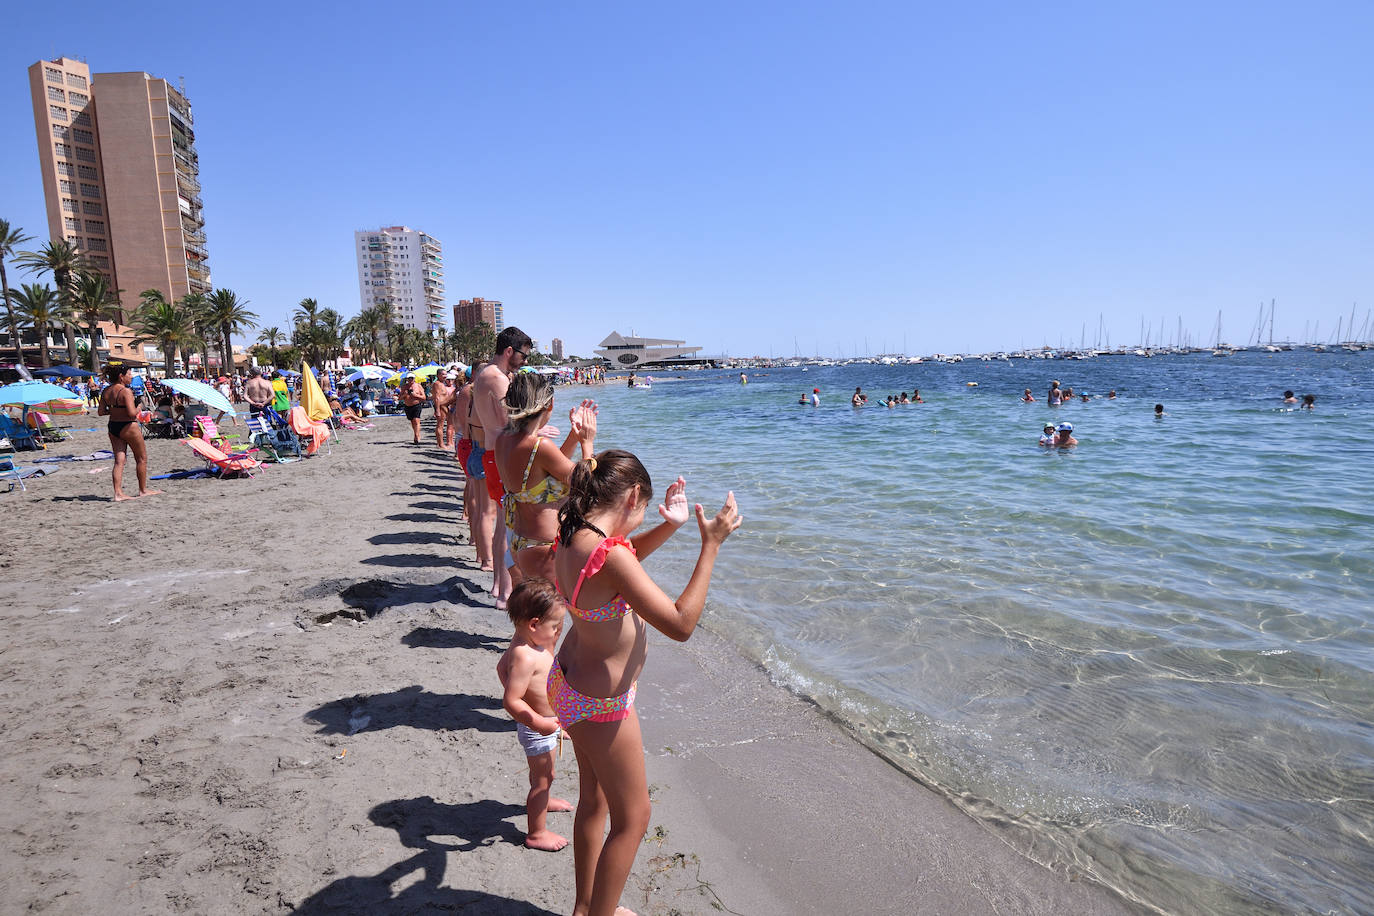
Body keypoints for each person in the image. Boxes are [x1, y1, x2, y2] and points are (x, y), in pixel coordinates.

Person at [552, 450, 740, 916]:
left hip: (570, 683)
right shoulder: (608, 552)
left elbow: (619, 564)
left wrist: (670, 525)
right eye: (642, 510)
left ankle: (585, 907)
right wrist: (710, 544)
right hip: (600, 704)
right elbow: (680, 624)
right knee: (634, 819)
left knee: (594, 799)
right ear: (634, 495)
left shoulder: (574, 533)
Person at [496, 372, 597, 583]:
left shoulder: (503, 439)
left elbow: (548, 470)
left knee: (532, 611)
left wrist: (573, 436)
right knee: (552, 613)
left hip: (519, 539)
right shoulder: (539, 446)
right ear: (549, 405)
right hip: (542, 544)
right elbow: (586, 484)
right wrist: (587, 444)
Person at [496, 578, 574, 852]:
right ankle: (536, 833)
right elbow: (511, 700)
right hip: (536, 729)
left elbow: (500, 668)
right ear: (533, 624)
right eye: (555, 627)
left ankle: (546, 800)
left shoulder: (527, 645)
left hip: (543, 724)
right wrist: (537, 721)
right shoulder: (526, 656)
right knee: (543, 777)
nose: (557, 633)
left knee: (545, 775)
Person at [473, 326, 534, 609]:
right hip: (501, 457)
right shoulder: (497, 378)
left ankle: (500, 586)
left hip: (492, 453)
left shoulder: (486, 375)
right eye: (523, 355)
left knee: (502, 524)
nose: (524, 360)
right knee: (508, 525)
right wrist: (538, 430)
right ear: (509, 351)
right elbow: (512, 420)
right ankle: (506, 593)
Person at [97, 364, 160, 501]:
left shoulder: (106, 391)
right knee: (141, 458)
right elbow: (132, 414)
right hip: (128, 426)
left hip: (113, 426)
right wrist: (139, 407)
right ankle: (143, 490)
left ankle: (118, 493)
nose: (131, 377)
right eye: (129, 374)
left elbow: (101, 412)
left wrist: (114, 410)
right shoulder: (125, 391)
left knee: (119, 461)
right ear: (121, 376)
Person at [431, 370, 455, 449]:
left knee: (444, 425)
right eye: (443, 374)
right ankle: (440, 444)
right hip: (441, 406)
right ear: (438, 375)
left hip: (444, 406)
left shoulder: (441, 384)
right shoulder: (437, 384)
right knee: (440, 425)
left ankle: (442, 443)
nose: (445, 376)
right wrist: (437, 410)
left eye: (445, 374)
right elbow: (437, 397)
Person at [399, 373, 425, 444]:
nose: (410, 380)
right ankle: (416, 433)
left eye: (412, 378)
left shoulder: (418, 386)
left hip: (417, 405)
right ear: (407, 379)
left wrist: (415, 395)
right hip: (408, 406)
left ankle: (416, 436)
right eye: (409, 378)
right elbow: (399, 398)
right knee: (412, 421)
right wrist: (405, 394)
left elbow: (424, 397)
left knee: (416, 420)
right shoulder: (404, 387)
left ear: (414, 379)